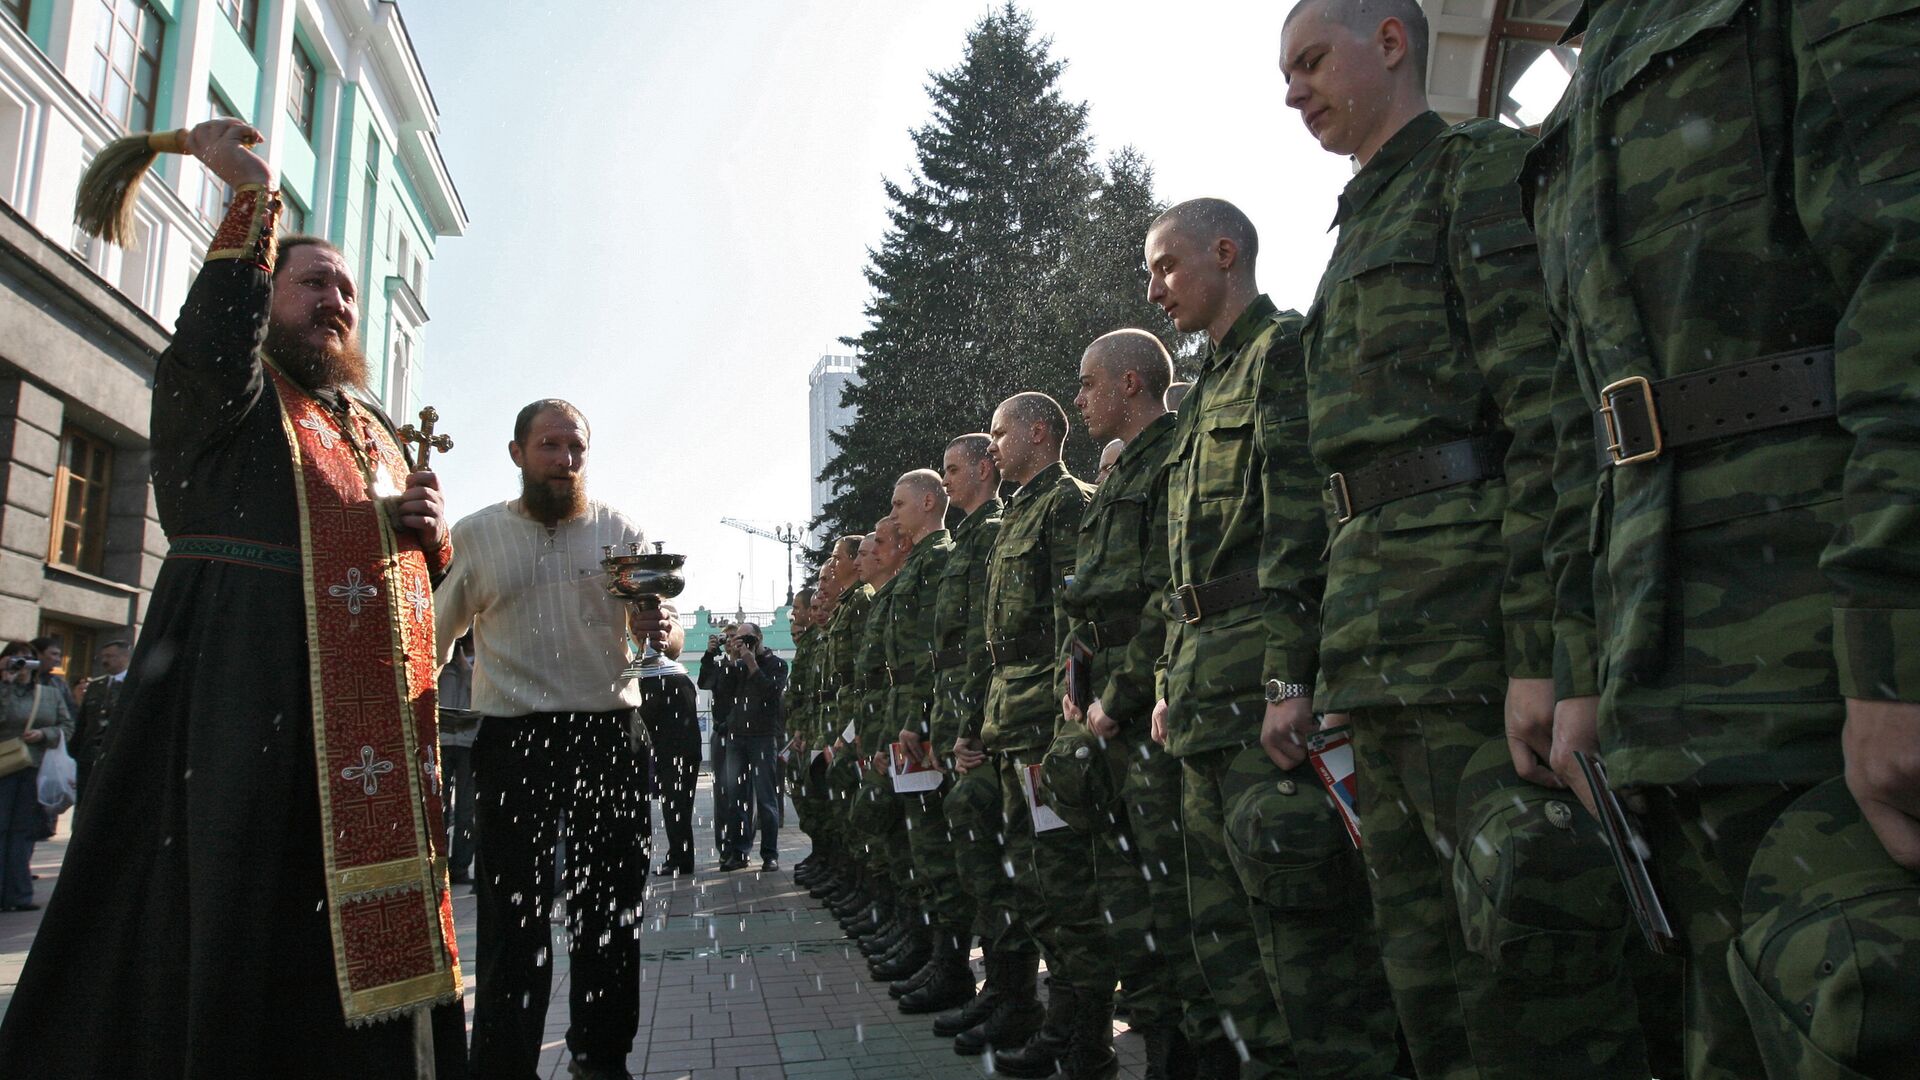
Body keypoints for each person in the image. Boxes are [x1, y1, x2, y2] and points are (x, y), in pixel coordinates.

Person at [0, 118, 467, 1078]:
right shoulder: (228, 394)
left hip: (358, 764)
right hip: (236, 730)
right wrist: (251, 198)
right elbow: (216, 332)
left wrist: (422, 535)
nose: (336, 298)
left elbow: (408, 601)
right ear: (265, 294)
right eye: (312, 281)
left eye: (346, 287)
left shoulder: (369, 430)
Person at [1526, 0, 1920, 1076]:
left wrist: (1899, 649)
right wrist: (1582, 660)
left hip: (1835, 676)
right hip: (1675, 687)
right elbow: (1586, 415)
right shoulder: (1596, 60)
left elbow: (1907, 268)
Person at [1279, 2, 1664, 1076]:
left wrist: (1543, 651)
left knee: (1533, 983)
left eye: (1311, 61)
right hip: (1386, 661)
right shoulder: (1358, 226)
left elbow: (1545, 415)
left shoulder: (1476, 174)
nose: (1293, 90)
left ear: (1392, 42)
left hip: (1474, 655)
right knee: (1430, 993)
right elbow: (1339, 483)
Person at [1141, 198, 1398, 1078]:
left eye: (1167, 266)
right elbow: (1187, 573)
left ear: (1226, 252)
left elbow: (1298, 522)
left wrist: (1292, 678)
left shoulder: (1280, 352)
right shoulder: (1205, 386)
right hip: (1208, 701)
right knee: (1229, 949)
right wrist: (1171, 681)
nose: (1156, 288)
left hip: (1263, 701)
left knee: (1308, 951)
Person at [433, 398, 683, 1080]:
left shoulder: (619, 529)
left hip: (608, 732)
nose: (564, 460)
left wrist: (660, 630)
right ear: (516, 453)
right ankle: (505, 1063)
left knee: (610, 906)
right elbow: (433, 633)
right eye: (549, 446)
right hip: (513, 740)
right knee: (514, 911)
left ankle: (601, 1056)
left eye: (576, 448)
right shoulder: (478, 535)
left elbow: (663, 624)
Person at [1052, 329, 1192, 1079]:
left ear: (1131, 383)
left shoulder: (1174, 456)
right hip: (1104, 716)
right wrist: (1077, 686)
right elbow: (1088, 604)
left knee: (1172, 907)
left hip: (1146, 717)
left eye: (1088, 383)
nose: (1080, 398)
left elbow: (1174, 589)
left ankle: (1181, 1060)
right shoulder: (1120, 476)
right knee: (1126, 905)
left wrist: (1121, 691)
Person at [973, 392, 1094, 1064]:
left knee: (1061, 885)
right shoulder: (1016, 512)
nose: (992, 444)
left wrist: (1065, 726)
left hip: (1046, 726)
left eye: (1000, 431)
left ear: (1039, 432)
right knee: (1031, 880)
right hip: (1011, 723)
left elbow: (1075, 624)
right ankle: (1055, 1023)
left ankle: (1079, 1045)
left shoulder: (1067, 503)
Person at [917, 434, 1007, 1029]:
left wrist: (973, 723)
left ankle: (1010, 994)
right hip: (961, 711)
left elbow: (985, 637)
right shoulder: (969, 541)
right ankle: (973, 978)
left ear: (980, 469)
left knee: (996, 864)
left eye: (952, 469)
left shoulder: (992, 533)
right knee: (960, 855)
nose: (947, 480)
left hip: (992, 717)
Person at [866, 476, 953, 993]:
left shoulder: (938, 559)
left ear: (926, 503)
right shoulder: (918, 565)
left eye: (899, 505)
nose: (893, 515)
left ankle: (947, 964)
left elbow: (933, 653)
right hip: (906, 716)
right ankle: (923, 945)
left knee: (933, 847)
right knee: (913, 841)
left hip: (920, 719)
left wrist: (920, 718)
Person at [0, 641, 72, 912]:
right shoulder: (2, 688)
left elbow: (67, 726)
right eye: (15, 659)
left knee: (22, 833)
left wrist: (45, 734)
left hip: (33, 768)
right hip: (3, 770)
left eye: (28, 659)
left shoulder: (49, 694)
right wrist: (5, 684)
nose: (22, 665)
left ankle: (18, 895)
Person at [718, 621, 788, 872]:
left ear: (759, 639)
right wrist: (731, 660)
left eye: (748, 639)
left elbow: (771, 693)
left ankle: (770, 854)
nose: (744, 643)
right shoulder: (735, 666)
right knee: (736, 799)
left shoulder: (777, 664)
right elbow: (721, 693)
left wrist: (751, 662)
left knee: (767, 799)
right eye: (739, 639)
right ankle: (739, 852)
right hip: (737, 737)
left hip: (763, 737)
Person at [643, 640, 703, 879]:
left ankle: (679, 858)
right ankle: (681, 857)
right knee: (681, 808)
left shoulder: (656, 679)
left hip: (672, 753)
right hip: (686, 751)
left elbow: (646, 714)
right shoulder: (680, 677)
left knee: (674, 808)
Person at [69, 638, 130, 810]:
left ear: (125, 656)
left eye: (110, 656)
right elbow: (83, 722)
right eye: (102, 656)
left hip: (116, 757)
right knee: (84, 804)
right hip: (89, 757)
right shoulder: (96, 686)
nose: (104, 661)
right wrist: (75, 751)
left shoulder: (134, 685)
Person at [437, 634, 477, 886]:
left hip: (468, 741)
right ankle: (438, 861)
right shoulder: (442, 666)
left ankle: (460, 865)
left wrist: (467, 667)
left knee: (466, 808)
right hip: (442, 739)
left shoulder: (478, 663)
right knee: (439, 805)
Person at [699, 621, 741, 859]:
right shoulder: (719, 666)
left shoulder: (749, 664)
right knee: (722, 792)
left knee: (743, 792)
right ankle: (724, 845)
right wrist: (709, 654)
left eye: (736, 637)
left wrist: (741, 657)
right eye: (727, 638)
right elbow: (704, 683)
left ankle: (741, 845)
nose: (731, 642)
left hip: (744, 734)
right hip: (721, 733)